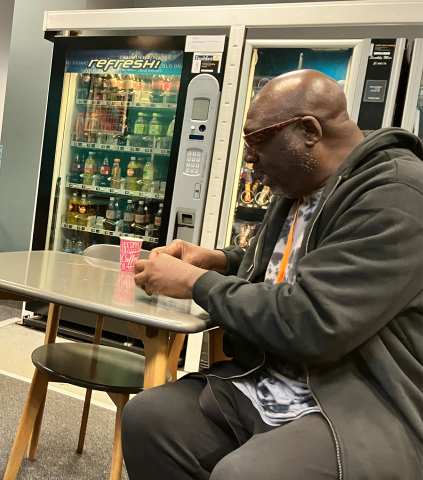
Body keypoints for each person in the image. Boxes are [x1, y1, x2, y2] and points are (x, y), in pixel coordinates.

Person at [122, 70, 423, 479]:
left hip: (361, 400)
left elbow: (314, 321)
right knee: (149, 418)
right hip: (273, 379)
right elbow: (301, 260)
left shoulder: (398, 195)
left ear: (309, 131)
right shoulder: (303, 187)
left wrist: (196, 283)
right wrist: (220, 260)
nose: (249, 157)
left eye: (258, 139)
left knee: (245, 474)